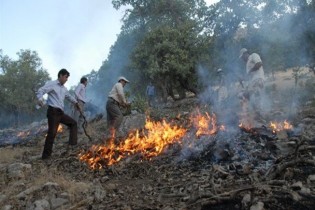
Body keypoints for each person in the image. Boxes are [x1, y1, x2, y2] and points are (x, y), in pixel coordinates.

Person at [36, 69, 80, 160]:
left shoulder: (64, 89)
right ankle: (46, 157)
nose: (66, 79)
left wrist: (76, 103)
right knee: (52, 133)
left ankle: (72, 146)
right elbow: (41, 90)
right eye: (65, 77)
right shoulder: (52, 84)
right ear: (60, 75)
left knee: (73, 123)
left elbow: (69, 96)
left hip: (60, 113)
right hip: (53, 112)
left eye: (67, 78)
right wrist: (40, 99)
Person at [239, 48, 265, 125]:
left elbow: (259, 63)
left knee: (256, 98)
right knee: (247, 96)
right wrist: (242, 79)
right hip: (253, 82)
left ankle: (260, 118)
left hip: (258, 80)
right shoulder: (247, 64)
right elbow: (249, 76)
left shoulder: (254, 55)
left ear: (245, 54)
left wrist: (250, 71)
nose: (242, 59)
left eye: (242, 57)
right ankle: (256, 115)